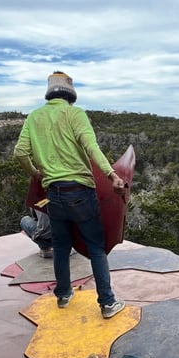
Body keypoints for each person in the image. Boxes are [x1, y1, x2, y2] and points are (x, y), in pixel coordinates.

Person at [13, 70, 126, 318]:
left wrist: (36, 173)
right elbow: (91, 147)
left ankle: (63, 295)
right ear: (71, 94)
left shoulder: (34, 117)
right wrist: (112, 176)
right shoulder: (75, 114)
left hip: (54, 193)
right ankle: (107, 303)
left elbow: (20, 152)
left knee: (61, 247)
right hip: (80, 192)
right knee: (96, 248)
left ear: (49, 93)